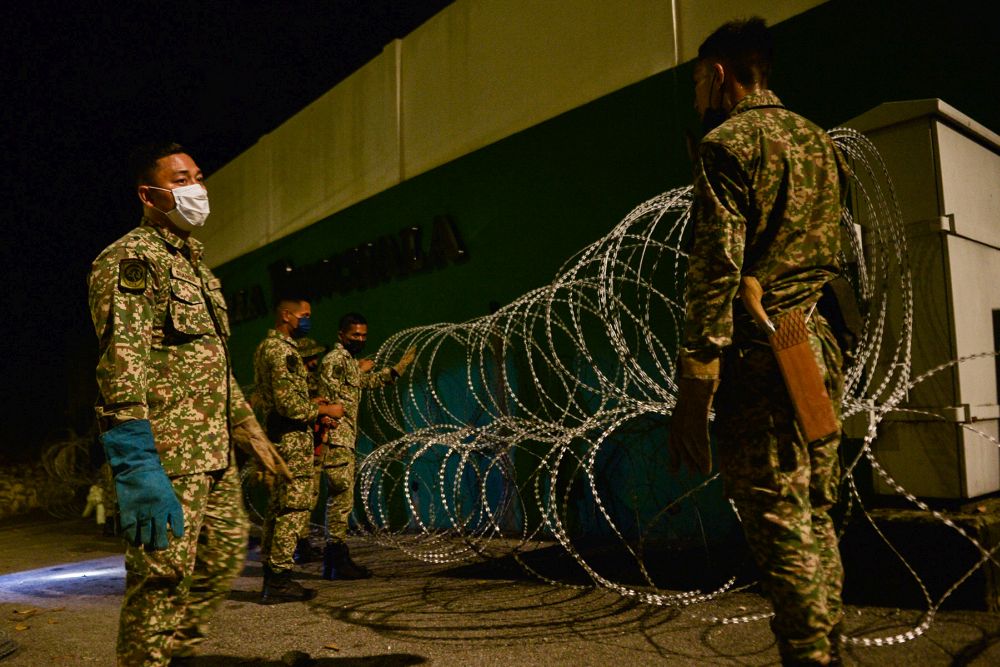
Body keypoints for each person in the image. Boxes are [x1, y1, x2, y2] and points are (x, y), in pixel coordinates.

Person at [668, 18, 846, 667]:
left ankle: (809, 656)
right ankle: (824, 646)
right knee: (815, 510)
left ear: (719, 74)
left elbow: (717, 266)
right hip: (815, 342)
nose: (695, 96)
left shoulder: (729, 142)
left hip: (764, 351)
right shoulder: (818, 141)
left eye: (696, 81)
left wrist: (695, 386)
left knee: (777, 515)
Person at [88, 142, 290, 665]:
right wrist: (136, 461)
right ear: (148, 194)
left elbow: (213, 366)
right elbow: (122, 364)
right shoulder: (131, 260)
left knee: (223, 554)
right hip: (168, 455)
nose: (195, 188)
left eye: (198, 176)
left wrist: (252, 434)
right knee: (161, 578)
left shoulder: (197, 268)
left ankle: (173, 653)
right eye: (180, 180)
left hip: (214, 450)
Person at [254, 297, 344, 602]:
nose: (306, 321)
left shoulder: (268, 348)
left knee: (278, 508)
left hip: (282, 436)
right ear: (286, 315)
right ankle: (279, 580)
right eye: (304, 316)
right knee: (293, 509)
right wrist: (323, 409)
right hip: (292, 439)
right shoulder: (282, 351)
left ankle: (273, 576)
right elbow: (288, 405)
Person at [316, 313, 415, 579]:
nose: (360, 339)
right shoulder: (334, 361)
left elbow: (363, 383)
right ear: (341, 335)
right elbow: (326, 398)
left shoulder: (347, 361)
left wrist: (395, 370)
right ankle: (335, 560)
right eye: (354, 335)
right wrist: (328, 429)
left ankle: (336, 559)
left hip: (346, 438)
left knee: (343, 499)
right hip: (337, 438)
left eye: (363, 335)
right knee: (340, 498)